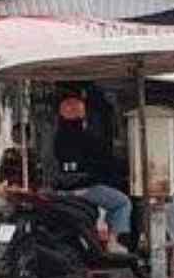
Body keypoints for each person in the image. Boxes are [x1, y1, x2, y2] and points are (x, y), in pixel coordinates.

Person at [52, 96, 132, 255]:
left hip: (61, 190)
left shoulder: (57, 140)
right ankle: (113, 242)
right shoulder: (88, 139)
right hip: (86, 189)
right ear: (82, 117)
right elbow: (103, 164)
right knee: (122, 203)